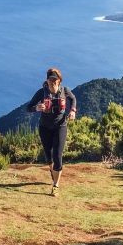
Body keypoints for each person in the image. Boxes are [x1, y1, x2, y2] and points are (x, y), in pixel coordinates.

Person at [26, 67, 77, 196]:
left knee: (57, 155)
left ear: (59, 80)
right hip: (44, 128)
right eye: (50, 79)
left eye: (55, 79)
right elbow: (28, 108)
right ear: (47, 80)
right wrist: (37, 108)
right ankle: (52, 171)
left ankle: (56, 185)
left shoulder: (65, 91)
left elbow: (73, 99)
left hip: (60, 126)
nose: (52, 81)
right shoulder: (41, 93)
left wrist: (72, 111)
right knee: (49, 156)